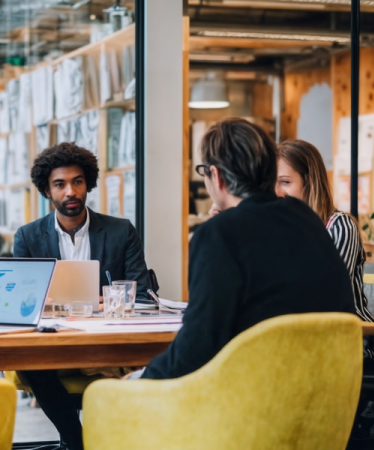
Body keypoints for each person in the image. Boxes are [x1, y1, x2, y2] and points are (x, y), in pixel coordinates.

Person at [131, 118, 357, 382]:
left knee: (109, 397)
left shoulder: (217, 235)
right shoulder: (306, 218)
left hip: (255, 402)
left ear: (215, 176)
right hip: (330, 395)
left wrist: (137, 382)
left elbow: (197, 347)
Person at [13, 142, 150, 450]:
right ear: (47, 191)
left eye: (77, 182)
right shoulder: (28, 237)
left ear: (88, 183)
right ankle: (77, 442)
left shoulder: (121, 231)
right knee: (33, 361)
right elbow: (23, 302)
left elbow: (140, 292)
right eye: (59, 184)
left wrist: (109, 302)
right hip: (51, 344)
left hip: (105, 341)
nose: (70, 192)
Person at [276, 139, 374, 322]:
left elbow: (326, 295)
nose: (277, 191)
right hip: (296, 333)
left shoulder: (340, 226)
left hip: (345, 337)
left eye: (285, 182)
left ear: (310, 183)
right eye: (272, 182)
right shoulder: (277, 228)